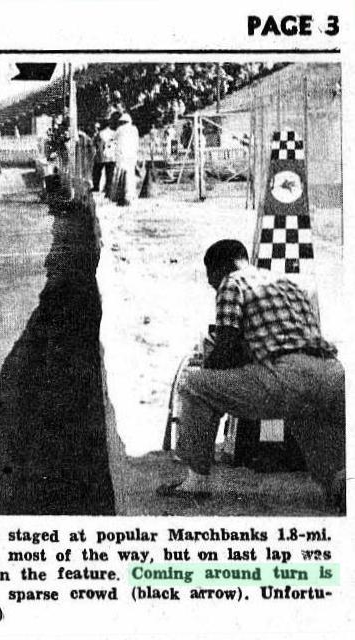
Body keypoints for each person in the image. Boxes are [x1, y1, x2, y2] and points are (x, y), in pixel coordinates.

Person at [161, 240, 345, 511]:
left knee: (193, 383)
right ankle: (339, 482)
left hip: (286, 377)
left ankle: (196, 481)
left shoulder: (231, 283)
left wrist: (208, 367)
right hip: (333, 373)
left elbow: (226, 349)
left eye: (210, 276)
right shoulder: (289, 285)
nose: (211, 283)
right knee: (306, 418)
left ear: (217, 268)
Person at [112, 112, 140, 206]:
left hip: (121, 156)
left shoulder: (119, 130)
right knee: (130, 176)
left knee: (120, 175)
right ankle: (129, 196)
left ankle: (120, 196)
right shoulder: (134, 129)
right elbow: (136, 143)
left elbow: (113, 141)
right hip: (131, 156)